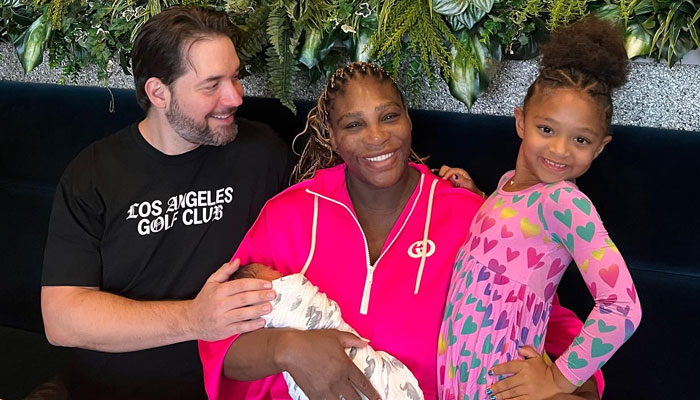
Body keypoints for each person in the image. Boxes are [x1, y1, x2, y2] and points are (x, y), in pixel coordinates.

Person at [198, 62, 603, 400]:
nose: (377, 137)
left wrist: (557, 385)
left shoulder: (472, 218)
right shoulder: (288, 215)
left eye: (389, 116)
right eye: (354, 124)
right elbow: (221, 344)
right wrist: (287, 348)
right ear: (332, 137)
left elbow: (547, 325)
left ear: (409, 119)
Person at [39, 6, 291, 399]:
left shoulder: (262, 152)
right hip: (109, 390)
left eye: (235, 77)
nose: (235, 97)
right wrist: (193, 318)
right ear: (158, 92)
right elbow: (62, 318)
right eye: (211, 85)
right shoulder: (94, 173)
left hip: (232, 386)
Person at [437, 16, 642, 400]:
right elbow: (516, 241)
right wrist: (479, 195)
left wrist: (556, 380)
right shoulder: (507, 186)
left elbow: (622, 307)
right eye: (546, 129)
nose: (560, 150)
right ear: (521, 121)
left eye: (580, 140)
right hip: (457, 379)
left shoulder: (565, 203)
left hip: (501, 385)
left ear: (600, 147)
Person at [231, 263, 424, 400]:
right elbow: (225, 346)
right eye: (272, 272)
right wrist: (287, 348)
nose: (280, 273)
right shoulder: (276, 227)